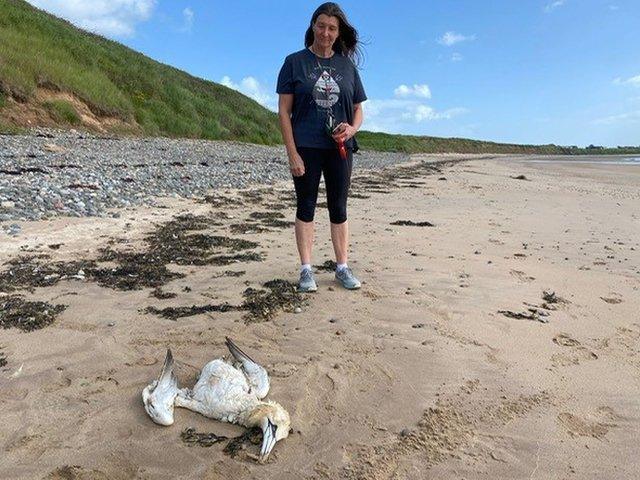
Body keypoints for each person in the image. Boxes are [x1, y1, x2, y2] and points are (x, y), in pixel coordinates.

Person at [276, 2, 366, 292]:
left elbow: (358, 109)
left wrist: (352, 128)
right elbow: (283, 111)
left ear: (338, 33)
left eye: (332, 28)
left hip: (340, 147)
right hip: (306, 146)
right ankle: (306, 270)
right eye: (321, 26)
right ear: (312, 26)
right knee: (306, 206)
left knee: (339, 207)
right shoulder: (294, 62)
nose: (325, 32)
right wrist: (292, 152)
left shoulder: (347, 66)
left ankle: (342, 267)